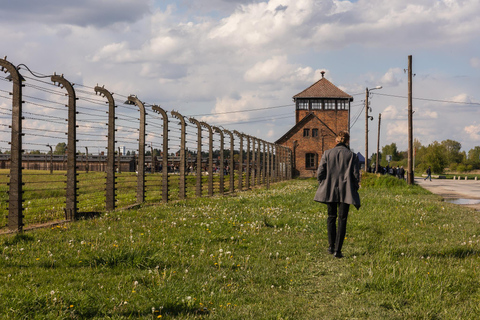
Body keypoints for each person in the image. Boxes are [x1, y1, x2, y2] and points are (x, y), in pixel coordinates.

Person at [314, 131, 361, 258]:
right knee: (342, 219)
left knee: (331, 216)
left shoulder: (327, 154)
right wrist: (354, 188)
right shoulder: (352, 156)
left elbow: (320, 173)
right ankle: (338, 250)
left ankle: (331, 246)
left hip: (329, 189)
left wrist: (323, 184)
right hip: (346, 190)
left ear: (336, 140)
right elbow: (356, 176)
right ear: (347, 141)